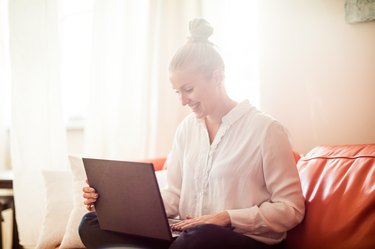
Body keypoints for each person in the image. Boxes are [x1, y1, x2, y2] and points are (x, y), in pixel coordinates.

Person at [79, 18, 305, 249]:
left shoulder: (266, 130)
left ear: (217, 77)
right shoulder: (187, 129)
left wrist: (227, 217)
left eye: (188, 90)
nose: (183, 101)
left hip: (238, 240)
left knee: (201, 237)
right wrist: (115, 207)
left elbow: (291, 209)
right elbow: (174, 196)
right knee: (91, 223)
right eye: (178, 92)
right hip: (187, 237)